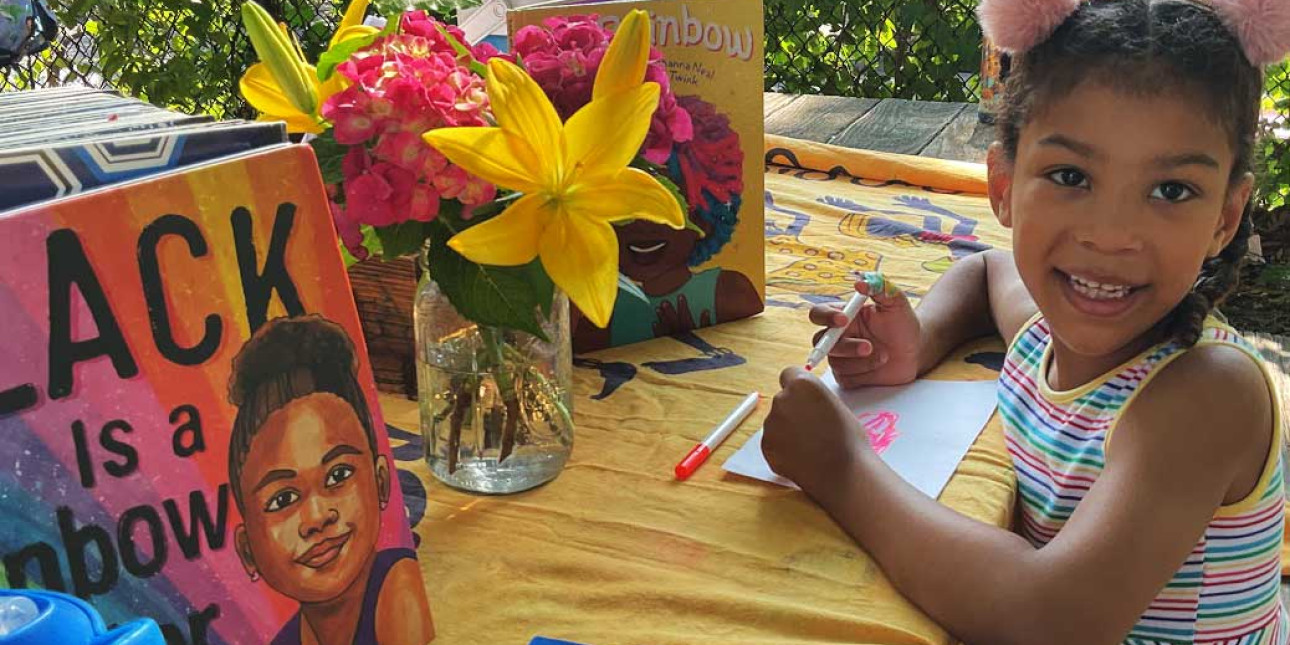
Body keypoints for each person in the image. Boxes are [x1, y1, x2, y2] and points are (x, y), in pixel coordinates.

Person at [762, 0, 1290, 642]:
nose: (1110, 235)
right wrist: (920, 341)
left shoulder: (1207, 394)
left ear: (1226, 218)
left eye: (1171, 190)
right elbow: (987, 272)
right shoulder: (1047, 328)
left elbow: (1053, 619)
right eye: (1071, 176)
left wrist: (842, 466)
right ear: (1004, 186)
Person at [226, 315, 433, 645]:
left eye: (338, 475)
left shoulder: (398, 591)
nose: (317, 517)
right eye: (283, 499)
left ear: (381, 482)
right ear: (247, 549)